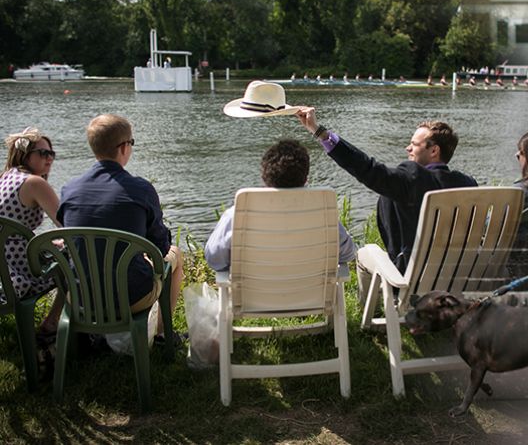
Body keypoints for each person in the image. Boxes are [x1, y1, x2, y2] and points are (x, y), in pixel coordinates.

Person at [294, 108, 477, 301]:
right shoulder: (469, 184)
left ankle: (367, 313)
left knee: (365, 254)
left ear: (434, 151)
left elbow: (367, 168)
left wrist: (320, 132)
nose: (407, 148)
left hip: (412, 282)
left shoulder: (413, 179)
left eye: (414, 145)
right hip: (459, 280)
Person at [57, 114, 185, 342]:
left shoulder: (70, 189)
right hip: (131, 296)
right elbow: (161, 247)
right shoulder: (140, 189)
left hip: (80, 296)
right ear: (125, 147)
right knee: (177, 256)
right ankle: (162, 333)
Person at [204, 139, 356, 274]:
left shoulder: (237, 215)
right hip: (313, 301)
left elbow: (215, 260)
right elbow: (347, 253)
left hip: (252, 302)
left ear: (264, 177)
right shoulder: (321, 213)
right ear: (306, 179)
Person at [1, 127, 64, 334]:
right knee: (76, 258)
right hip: (16, 272)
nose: (49, 159)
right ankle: (53, 322)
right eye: (43, 153)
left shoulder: (6, 176)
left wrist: (45, 243)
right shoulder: (34, 183)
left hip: (4, 264)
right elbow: (66, 227)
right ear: (25, 155)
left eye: (51, 153)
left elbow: (13, 230)